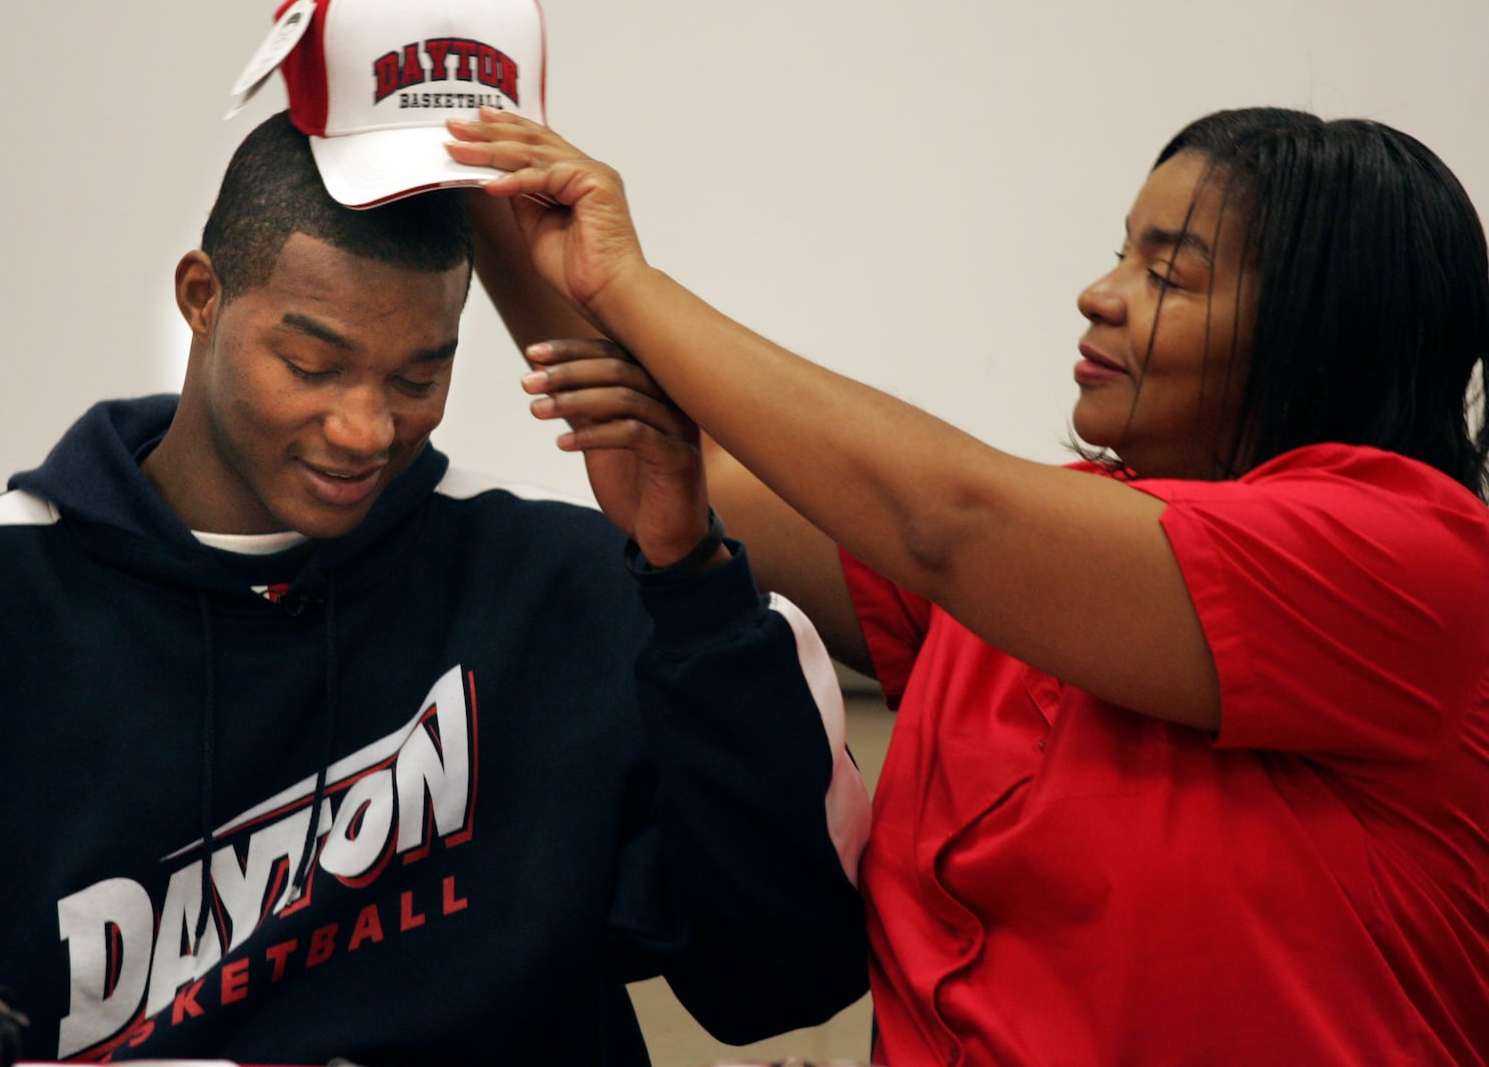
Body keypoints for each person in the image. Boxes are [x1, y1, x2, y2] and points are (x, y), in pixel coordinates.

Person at [0, 0, 871, 1067]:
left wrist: (687, 570)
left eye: (421, 375)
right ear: (201, 296)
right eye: (312, 364)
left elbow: (786, 978)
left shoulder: (569, 594)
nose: (367, 430)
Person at [446, 104, 1489, 1064]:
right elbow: (684, 470)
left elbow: (943, 520)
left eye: (1168, 275)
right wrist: (477, 177)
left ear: (1324, 327)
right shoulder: (1034, 564)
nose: (1100, 294)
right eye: (1120, 253)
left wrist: (626, 278)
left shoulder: (1413, 560)